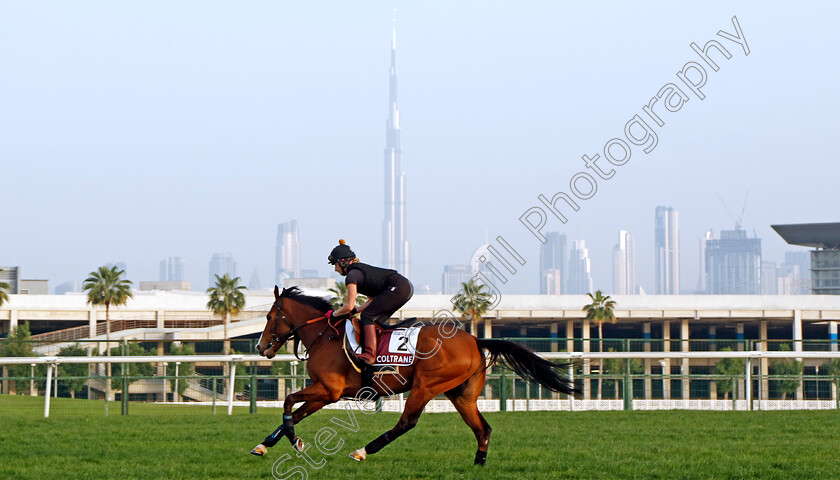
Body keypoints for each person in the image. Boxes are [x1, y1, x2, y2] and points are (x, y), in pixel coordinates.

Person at [328, 239, 413, 365]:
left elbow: (348, 306)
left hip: (398, 288)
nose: (335, 269)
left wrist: (334, 314)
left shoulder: (352, 275)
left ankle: (370, 354)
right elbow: (372, 300)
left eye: (335, 264)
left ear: (343, 261)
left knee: (367, 316)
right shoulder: (357, 272)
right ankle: (383, 353)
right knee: (376, 321)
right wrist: (355, 311)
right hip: (403, 287)